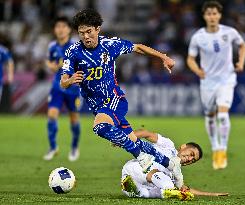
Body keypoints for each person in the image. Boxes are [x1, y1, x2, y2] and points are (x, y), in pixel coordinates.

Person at [60, 8, 184, 188]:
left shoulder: (110, 45)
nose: (86, 36)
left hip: (114, 100)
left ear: (97, 29)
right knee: (134, 140)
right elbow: (63, 81)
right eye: (81, 33)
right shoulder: (73, 52)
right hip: (97, 105)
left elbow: (138, 47)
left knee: (100, 127)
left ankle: (142, 159)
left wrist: (163, 56)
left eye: (89, 31)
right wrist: (70, 80)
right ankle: (171, 163)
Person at [187, 1, 245, 170]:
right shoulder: (198, 37)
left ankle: (222, 151)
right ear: (204, 16)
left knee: (222, 114)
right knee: (210, 115)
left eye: (215, 13)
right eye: (209, 14)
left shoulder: (230, 32)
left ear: (219, 15)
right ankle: (214, 146)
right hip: (207, 82)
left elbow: (243, 46)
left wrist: (241, 62)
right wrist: (197, 70)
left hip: (227, 80)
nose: (212, 17)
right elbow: (190, 59)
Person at [121, 129, 228, 200]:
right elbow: (146, 133)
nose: (189, 159)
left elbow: (184, 189)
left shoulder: (176, 173)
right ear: (183, 146)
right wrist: (125, 138)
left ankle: (135, 191)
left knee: (169, 186)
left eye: (193, 160)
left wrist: (211, 194)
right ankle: (144, 192)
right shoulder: (168, 145)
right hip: (135, 168)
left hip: (133, 182)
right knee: (168, 186)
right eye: (191, 153)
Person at [43, 17, 81, 161]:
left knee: (74, 119)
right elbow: (50, 62)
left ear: (69, 29)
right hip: (57, 87)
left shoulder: (75, 46)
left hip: (72, 88)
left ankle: (74, 147)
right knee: (52, 115)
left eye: (63, 26)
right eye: (58, 26)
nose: (60, 29)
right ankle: (53, 147)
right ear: (54, 29)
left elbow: (81, 65)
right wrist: (51, 65)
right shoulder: (52, 46)